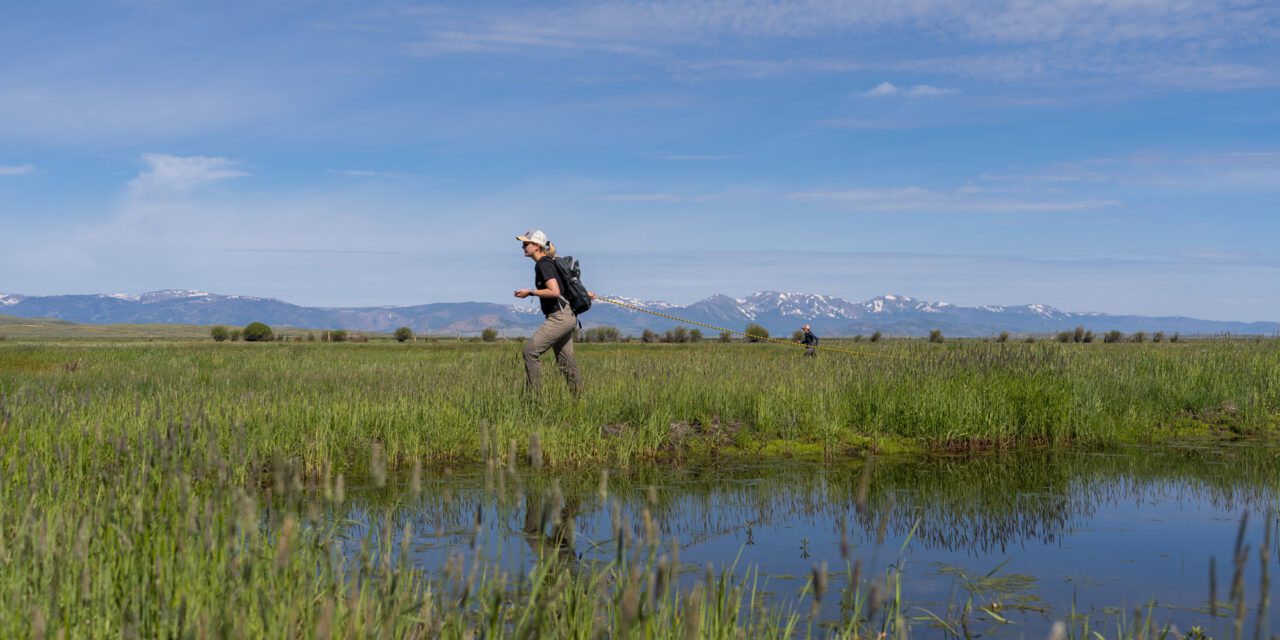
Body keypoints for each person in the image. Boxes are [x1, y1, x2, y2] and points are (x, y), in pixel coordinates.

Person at [514, 230, 592, 395]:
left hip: (559, 317)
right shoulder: (551, 262)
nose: (523, 246)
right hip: (568, 316)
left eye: (526, 243)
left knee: (530, 352)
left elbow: (555, 291)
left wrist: (530, 292)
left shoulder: (543, 264)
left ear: (536, 246)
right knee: (566, 363)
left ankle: (534, 400)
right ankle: (580, 401)